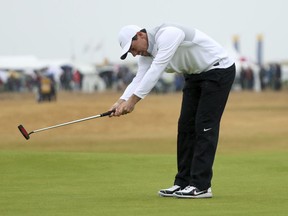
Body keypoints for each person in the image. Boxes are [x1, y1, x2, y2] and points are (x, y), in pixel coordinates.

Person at [109, 23, 236, 199]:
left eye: (132, 48)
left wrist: (133, 102)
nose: (134, 53)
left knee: (205, 126)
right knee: (185, 127)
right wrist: (120, 101)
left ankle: (201, 186)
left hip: (218, 70)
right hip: (194, 76)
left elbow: (156, 70)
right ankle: (182, 182)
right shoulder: (146, 54)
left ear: (140, 35)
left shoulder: (168, 34)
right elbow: (139, 78)